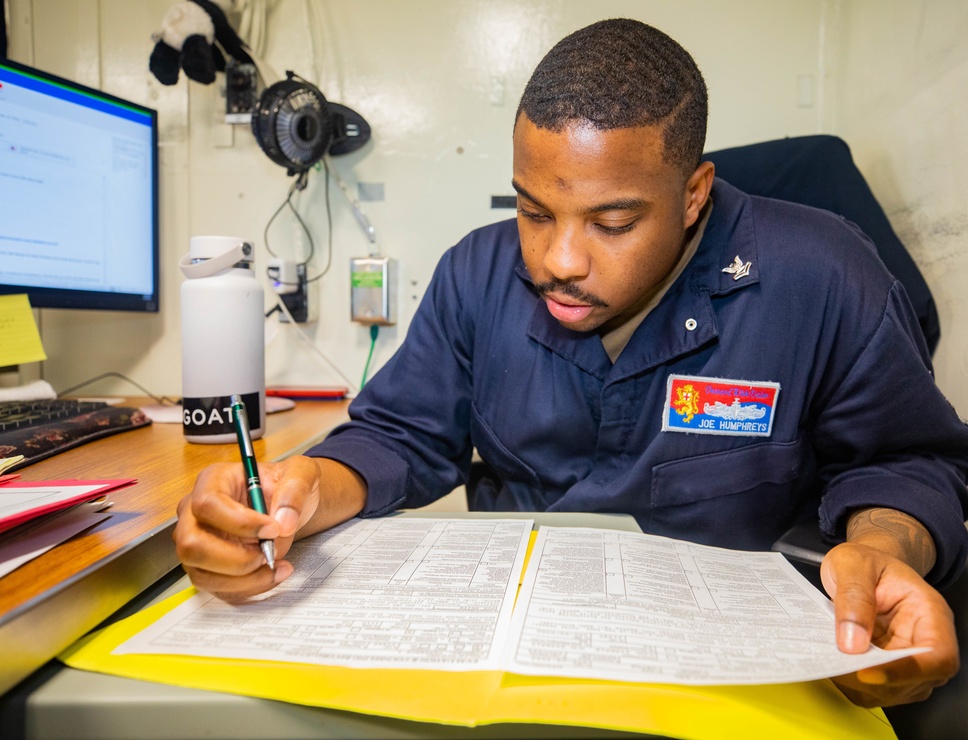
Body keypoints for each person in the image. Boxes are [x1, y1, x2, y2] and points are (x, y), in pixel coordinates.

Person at [175, 18, 968, 708]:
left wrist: (888, 548)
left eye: (613, 221)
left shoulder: (822, 274)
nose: (558, 260)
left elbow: (909, 461)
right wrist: (307, 492)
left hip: (723, 671)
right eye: (533, 210)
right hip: (511, 653)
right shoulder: (475, 274)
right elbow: (401, 437)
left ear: (694, 195)